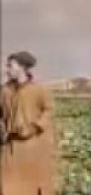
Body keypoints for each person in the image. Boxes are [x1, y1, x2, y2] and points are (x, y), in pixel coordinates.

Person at [0, 51, 57, 195]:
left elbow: (49, 111)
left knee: (31, 186)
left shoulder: (39, 90)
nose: (6, 69)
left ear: (23, 67)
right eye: (7, 66)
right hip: (11, 147)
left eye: (10, 66)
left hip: (33, 147)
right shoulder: (4, 90)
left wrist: (35, 127)